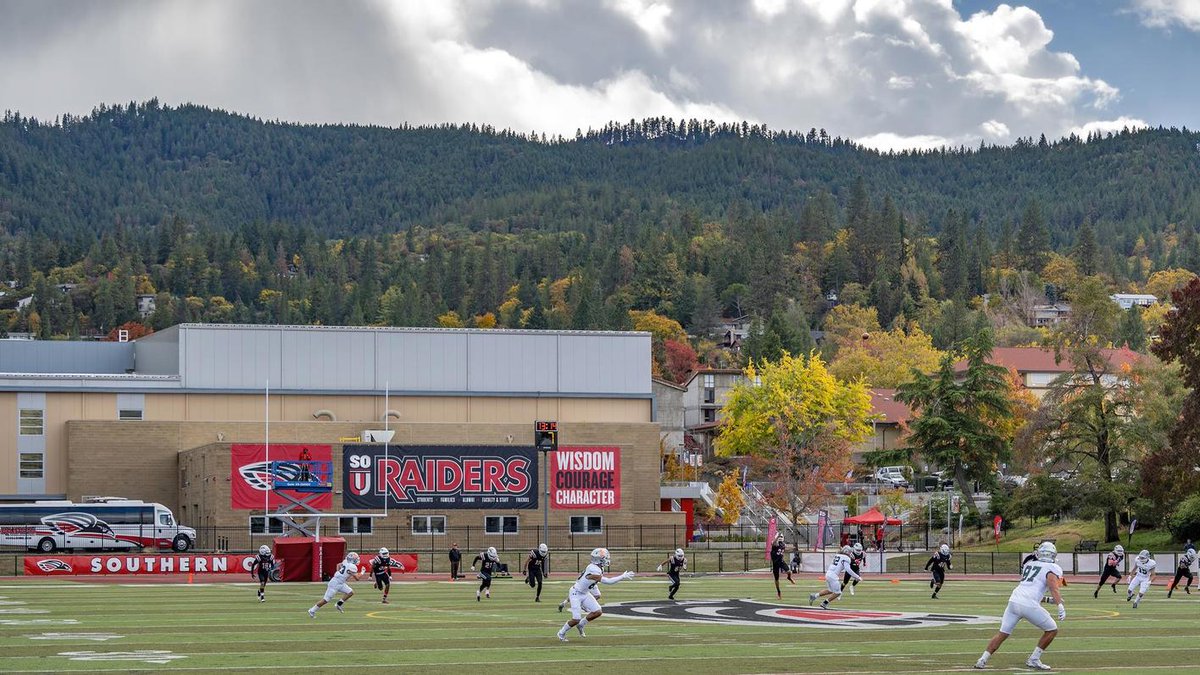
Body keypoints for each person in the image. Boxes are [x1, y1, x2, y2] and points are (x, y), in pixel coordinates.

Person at [973, 541, 1065, 671]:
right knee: (1052, 630)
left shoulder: (1030, 564)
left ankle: (982, 660)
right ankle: (1034, 659)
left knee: (1002, 633)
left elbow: (1029, 590)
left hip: (1014, 601)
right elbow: (1053, 587)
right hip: (1028, 605)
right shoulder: (1053, 568)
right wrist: (1059, 604)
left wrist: (1048, 600)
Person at [556, 547, 634, 642]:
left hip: (584, 593)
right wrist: (622, 576)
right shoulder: (594, 569)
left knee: (597, 611)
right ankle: (561, 632)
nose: (607, 559)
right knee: (576, 619)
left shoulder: (598, 568)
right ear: (599, 559)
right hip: (575, 593)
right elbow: (608, 582)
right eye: (605, 557)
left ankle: (581, 624)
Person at [308, 551, 360, 617]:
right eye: (356, 559)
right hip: (335, 584)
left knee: (350, 592)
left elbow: (338, 565)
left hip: (340, 583)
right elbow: (357, 578)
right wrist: (363, 572)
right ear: (352, 560)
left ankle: (339, 604)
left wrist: (339, 573)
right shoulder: (352, 566)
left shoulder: (345, 561)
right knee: (326, 600)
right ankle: (312, 610)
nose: (357, 560)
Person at [809, 545, 861, 609]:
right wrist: (857, 576)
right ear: (847, 552)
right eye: (850, 552)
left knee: (830, 590)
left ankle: (814, 596)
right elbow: (848, 570)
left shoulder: (838, 555)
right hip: (833, 576)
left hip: (828, 574)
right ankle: (824, 603)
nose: (851, 554)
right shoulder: (846, 558)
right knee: (838, 593)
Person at [770, 532, 793, 599]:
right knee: (776, 579)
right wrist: (777, 537)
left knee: (789, 572)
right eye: (779, 537)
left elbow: (786, 547)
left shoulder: (783, 544)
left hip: (781, 561)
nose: (780, 538)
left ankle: (789, 577)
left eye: (781, 537)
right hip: (775, 563)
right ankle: (779, 592)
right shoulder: (775, 543)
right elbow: (774, 543)